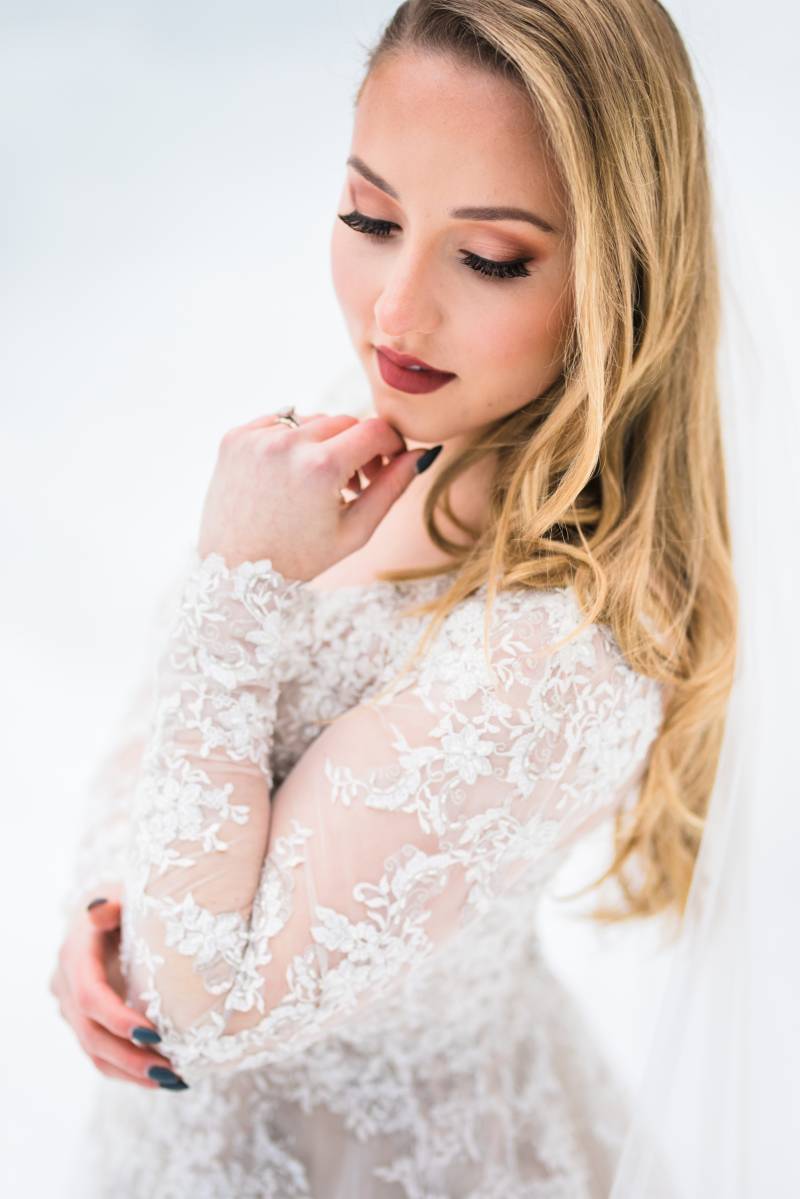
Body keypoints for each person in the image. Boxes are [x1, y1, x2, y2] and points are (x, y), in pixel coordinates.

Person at [50, 2, 740, 1195]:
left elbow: (199, 1009)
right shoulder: (412, 421)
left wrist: (243, 581)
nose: (392, 314)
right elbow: (153, 737)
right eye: (370, 217)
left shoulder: (559, 652)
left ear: (618, 276)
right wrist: (107, 913)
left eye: (487, 257)